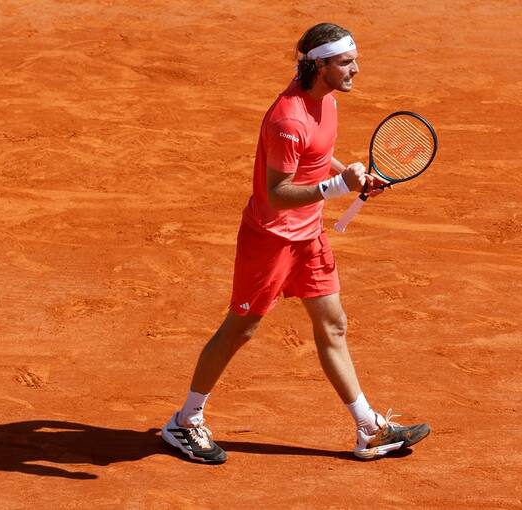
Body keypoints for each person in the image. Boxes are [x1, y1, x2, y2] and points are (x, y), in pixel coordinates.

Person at [162, 22, 430, 464]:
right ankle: (184, 422)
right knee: (241, 329)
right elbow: (277, 193)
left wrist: (356, 178)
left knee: (333, 324)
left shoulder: (324, 100)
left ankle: (369, 429)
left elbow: (319, 160)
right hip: (270, 240)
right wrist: (335, 189)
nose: (356, 70)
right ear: (319, 65)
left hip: (310, 236)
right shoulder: (289, 119)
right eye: (346, 62)